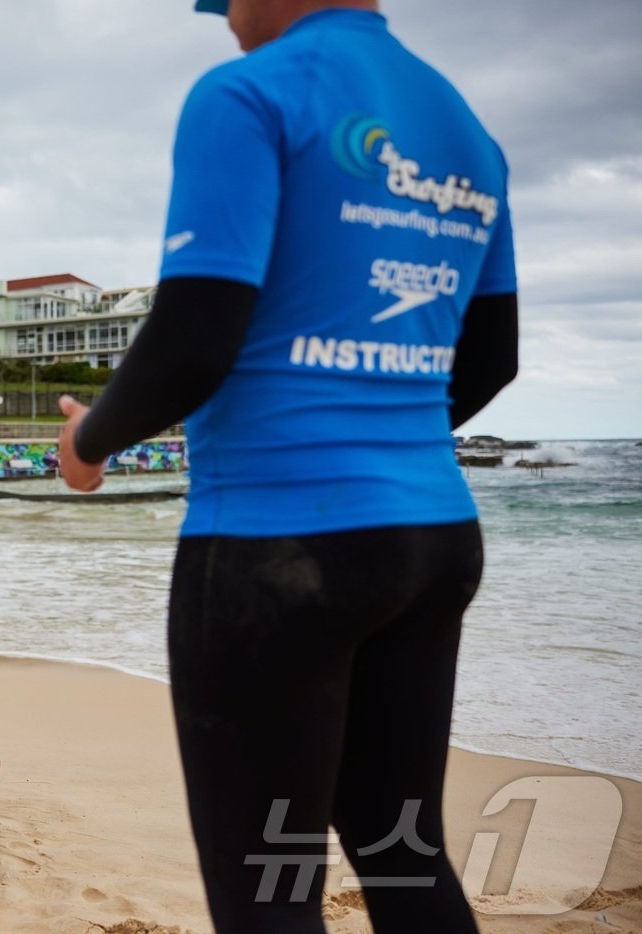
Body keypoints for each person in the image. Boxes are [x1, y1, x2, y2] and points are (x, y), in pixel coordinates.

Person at [58, 1, 517, 930]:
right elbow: (495, 355)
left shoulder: (249, 93)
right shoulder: (463, 120)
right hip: (432, 539)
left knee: (268, 887)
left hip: (278, 554)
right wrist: (383, 434)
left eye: (224, 3)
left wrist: (87, 443)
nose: (226, 22)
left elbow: (194, 335)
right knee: (403, 854)